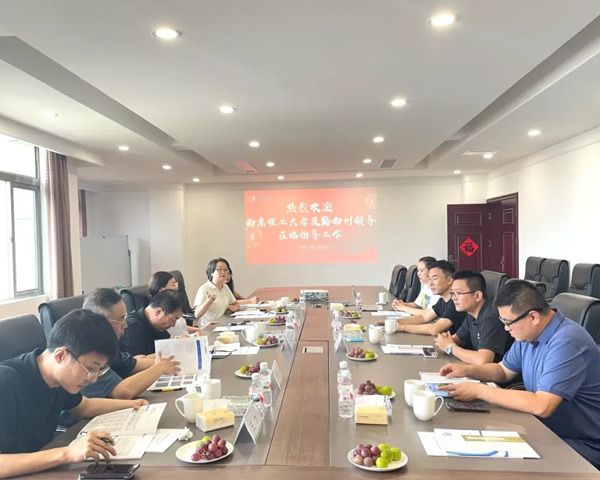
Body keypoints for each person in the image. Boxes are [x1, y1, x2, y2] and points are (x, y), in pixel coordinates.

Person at [439, 280, 600, 469]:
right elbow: (503, 371)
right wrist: (467, 370)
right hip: (543, 428)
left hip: (581, 443)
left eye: (508, 323)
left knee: (495, 464)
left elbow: (542, 405)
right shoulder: (528, 335)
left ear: (533, 317)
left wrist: (479, 391)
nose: (506, 329)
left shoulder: (567, 342)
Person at [0, 310, 148, 478]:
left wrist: (134, 405)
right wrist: (68, 453)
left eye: (98, 370)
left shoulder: (59, 379)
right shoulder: (5, 383)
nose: (93, 379)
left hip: (40, 469)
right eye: (90, 369)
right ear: (61, 355)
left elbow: (83, 407)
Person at [81, 288, 180, 399]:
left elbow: (131, 364)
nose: (125, 325)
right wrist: (159, 368)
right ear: (101, 321)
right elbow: (121, 392)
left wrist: (167, 362)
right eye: (121, 319)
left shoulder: (106, 345)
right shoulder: (87, 350)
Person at [434, 270, 513, 364]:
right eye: (452, 293)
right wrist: (446, 341)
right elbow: (458, 340)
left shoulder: (491, 317)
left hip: (498, 372)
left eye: (458, 293)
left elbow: (483, 360)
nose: (454, 298)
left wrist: (450, 347)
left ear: (477, 296)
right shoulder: (472, 314)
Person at [381, 260, 465, 336]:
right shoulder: (442, 300)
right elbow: (424, 317)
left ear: (449, 280)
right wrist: (394, 322)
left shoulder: (456, 303)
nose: (430, 283)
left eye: (435, 278)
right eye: (429, 279)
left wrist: (401, 327)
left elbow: (434, 329)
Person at [120, 290, 184, 356]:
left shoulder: (157, 326)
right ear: (158, 312)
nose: (173, 325)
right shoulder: (132, 327)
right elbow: (137, 361)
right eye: (172, 319)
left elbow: (169, 340)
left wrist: (181, 341)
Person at [148, 271, 204, 336]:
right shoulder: (162, 313)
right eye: (173, 284)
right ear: (162, 290)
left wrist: (200, 330)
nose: (177, 288)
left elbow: (181, 328)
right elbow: (169, 337)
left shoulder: (173, 307)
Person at [193, 257, 240, 326]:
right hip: (209, 326)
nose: (223, 272)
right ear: (211, 272)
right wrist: (209, 301)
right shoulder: (204, 289)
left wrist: (233, 308)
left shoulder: (225, 287)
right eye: (219, 269)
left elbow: (236, 303)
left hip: (223, 323)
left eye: (225, 270)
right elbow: (197, 314)